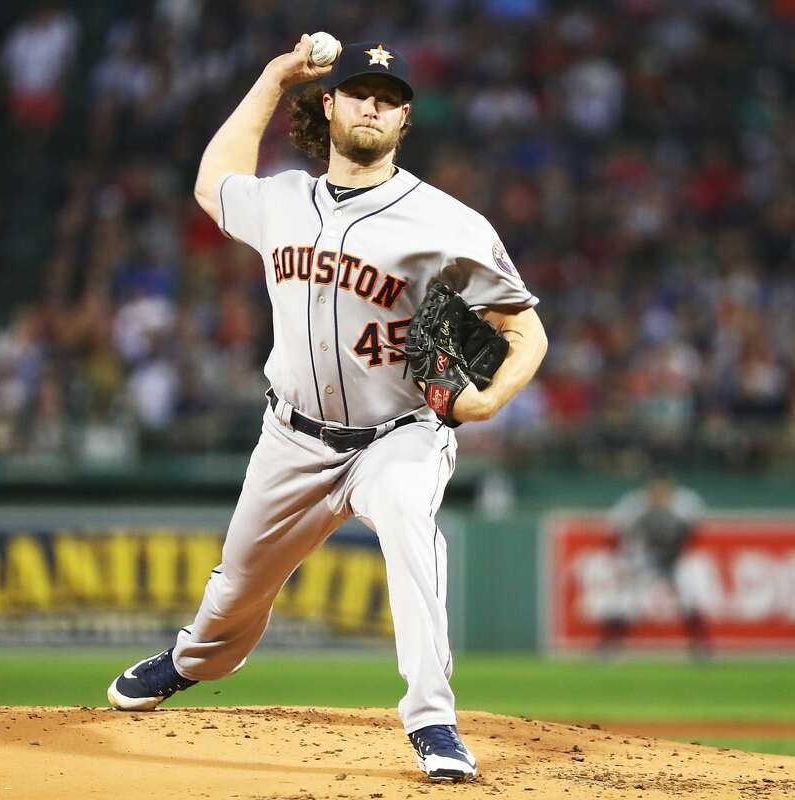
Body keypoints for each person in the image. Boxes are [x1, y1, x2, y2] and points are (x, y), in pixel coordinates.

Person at [105, 35, 547, 782]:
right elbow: (214, 180)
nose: (376, 105)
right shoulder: (282, 200)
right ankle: (191, 660)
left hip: (399, 434)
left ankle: (433, 720)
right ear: (332, 105)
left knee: (411, 527)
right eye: (362, 93)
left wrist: (493, 395)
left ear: (405, 123)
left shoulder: (449, 222)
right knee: (237, 585)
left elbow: (523, 327)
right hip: (294, 438)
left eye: (392, 100)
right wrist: (274, 76)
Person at [597, 469, 710, 659]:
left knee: (691, 599)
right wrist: (624, 562)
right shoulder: (633, 504)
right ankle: (608, 649)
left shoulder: (686, 502)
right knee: (622, 602)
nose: (659, 492)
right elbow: (616, 533)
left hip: (675, 557)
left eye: (664, 488)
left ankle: (701, 649)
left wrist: (678, 556)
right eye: (655, 488)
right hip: (645, 557)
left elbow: (692, 534)